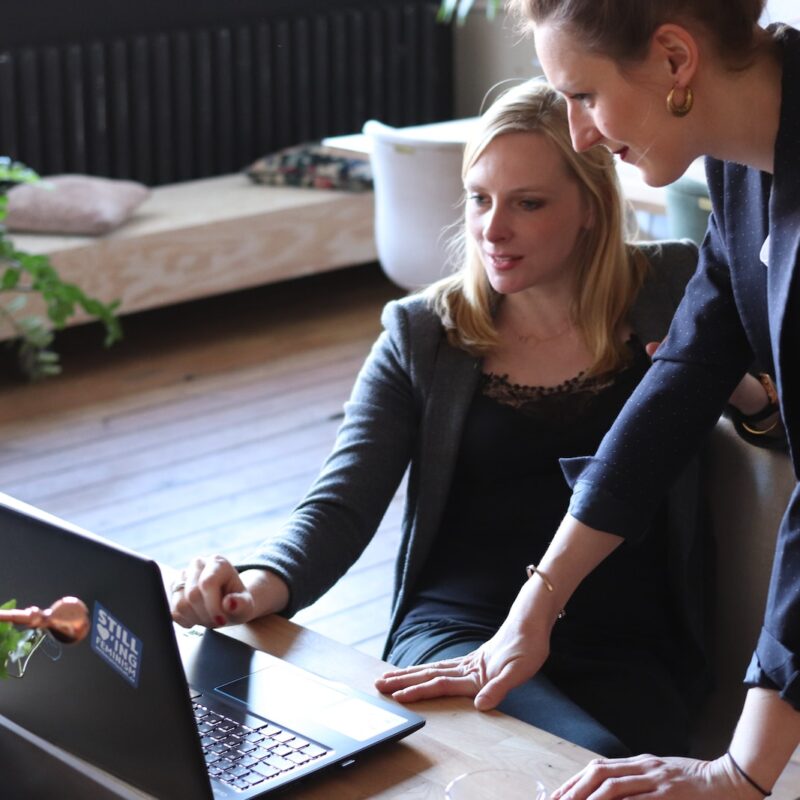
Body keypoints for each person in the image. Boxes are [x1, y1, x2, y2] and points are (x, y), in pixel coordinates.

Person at [170, 80, 759, 759]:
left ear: (591, 208)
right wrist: (252, 587)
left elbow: (772, 423)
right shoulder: (424, 333)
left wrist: (734, 389)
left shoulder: (675, 289)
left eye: (527, 203)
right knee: (561, 762)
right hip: (458, 632)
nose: (491, 228)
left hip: (630, 645)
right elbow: (340, 504)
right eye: (479, 199)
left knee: (588, 762)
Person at [377, 1, 800, 796]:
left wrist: (742, 773)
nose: (580, 135)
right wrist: (533, 610)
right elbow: (679, 382)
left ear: (676, 60)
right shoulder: (744, 167)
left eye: (583, 95)